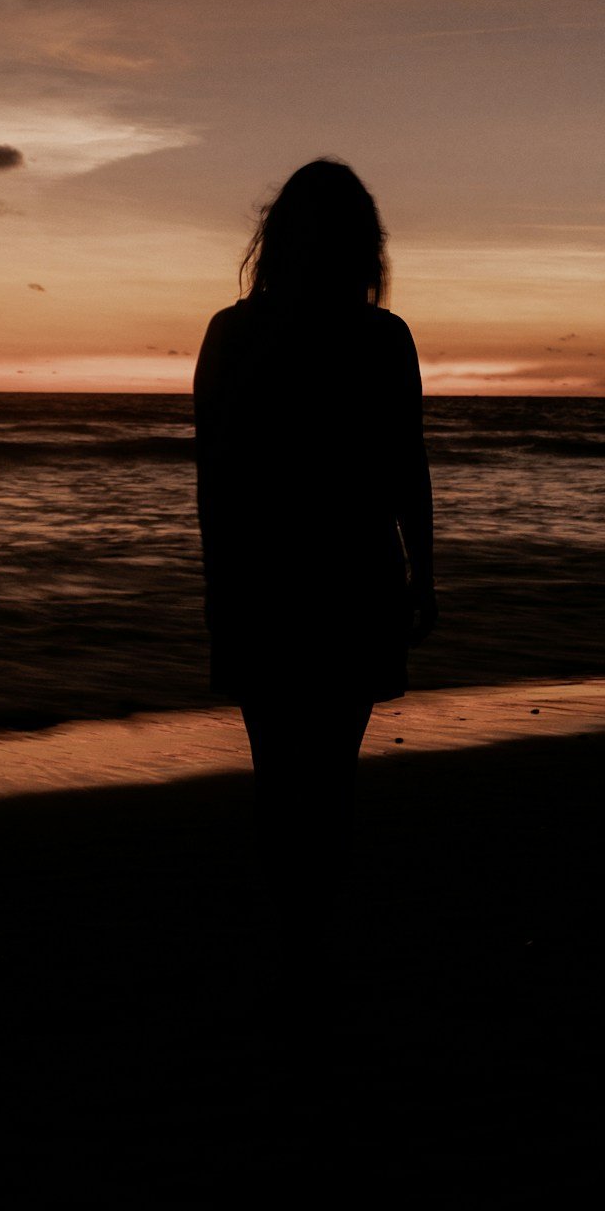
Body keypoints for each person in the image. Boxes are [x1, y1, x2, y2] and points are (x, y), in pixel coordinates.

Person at [194, 159, 435, 944]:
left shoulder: (233, 334)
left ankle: (294, 932)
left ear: (275, 240)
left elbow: (215, 480)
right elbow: (406, 469)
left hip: (262, 583)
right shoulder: (382, 338)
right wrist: (424, 575)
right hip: (356, 579)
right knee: (330, 776)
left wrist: (218, 590)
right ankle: (314, 932)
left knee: (277, 774)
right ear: (364, 246)